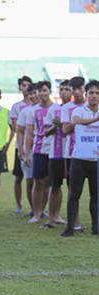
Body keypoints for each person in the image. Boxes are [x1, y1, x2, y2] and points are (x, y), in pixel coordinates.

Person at [61, 79, 99, 237]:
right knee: (74, 194)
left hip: (96, 160)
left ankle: (96, 227)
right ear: (86, 94)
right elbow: (75, 122)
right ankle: (70, 227)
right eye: (91, 93)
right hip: (79, 159)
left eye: (97, 93)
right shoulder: (80, 110)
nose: (94, 96)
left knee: (95, 196)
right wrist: (96, 120)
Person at [40, 80, 71, 229]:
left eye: (67, 89)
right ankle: (51, 219)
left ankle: (71, 220)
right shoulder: (53, 110)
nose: (64, 92)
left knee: (72, 188)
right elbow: (46, 132)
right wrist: (55, 126)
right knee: (54, 186)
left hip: (72, 153)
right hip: (56, 153)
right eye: (62, 89)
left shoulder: (75, 109)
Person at [25, 81, 54, 224]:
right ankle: (36, 214)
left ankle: (44, 211)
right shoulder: (32, 111)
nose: (42, 93)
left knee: (50, 183)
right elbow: (29, 133)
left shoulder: (57, 108)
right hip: (38, 150)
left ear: (50, 91)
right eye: (39, 91)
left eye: (44, 90)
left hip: (55, 150)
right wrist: (27, 153)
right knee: (38, 182)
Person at [61, 76, 88, 231]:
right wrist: (76, 121)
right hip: (72, 153)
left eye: (80, 88)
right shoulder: (67, 108)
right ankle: (76, 222)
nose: (77, 92)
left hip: (92, 152)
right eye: (74, 88)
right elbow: (65, 130)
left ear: (84, 89)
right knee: (73, 188)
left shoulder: (92, 106)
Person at [9, 76, 33, 215]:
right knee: (19, 177)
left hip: (35, 147)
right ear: (20, 88)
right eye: (23, 85)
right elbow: (15, 127)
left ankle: (36, 207)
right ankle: (19, 205)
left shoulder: (37, 105)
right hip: (21, 146)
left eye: (28, 85)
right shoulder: (17, 107)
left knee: (37, 180)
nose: (26, 88)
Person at [16, 83, 39, 219]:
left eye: (35, 92)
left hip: (44, 150)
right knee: (30, 181)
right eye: (31, 93)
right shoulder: (25, 111)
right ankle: (33, 208)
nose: (33, 96)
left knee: (44, 182)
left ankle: (41, 209)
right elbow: (19, 131)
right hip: (29, 150)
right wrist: (21, 149)